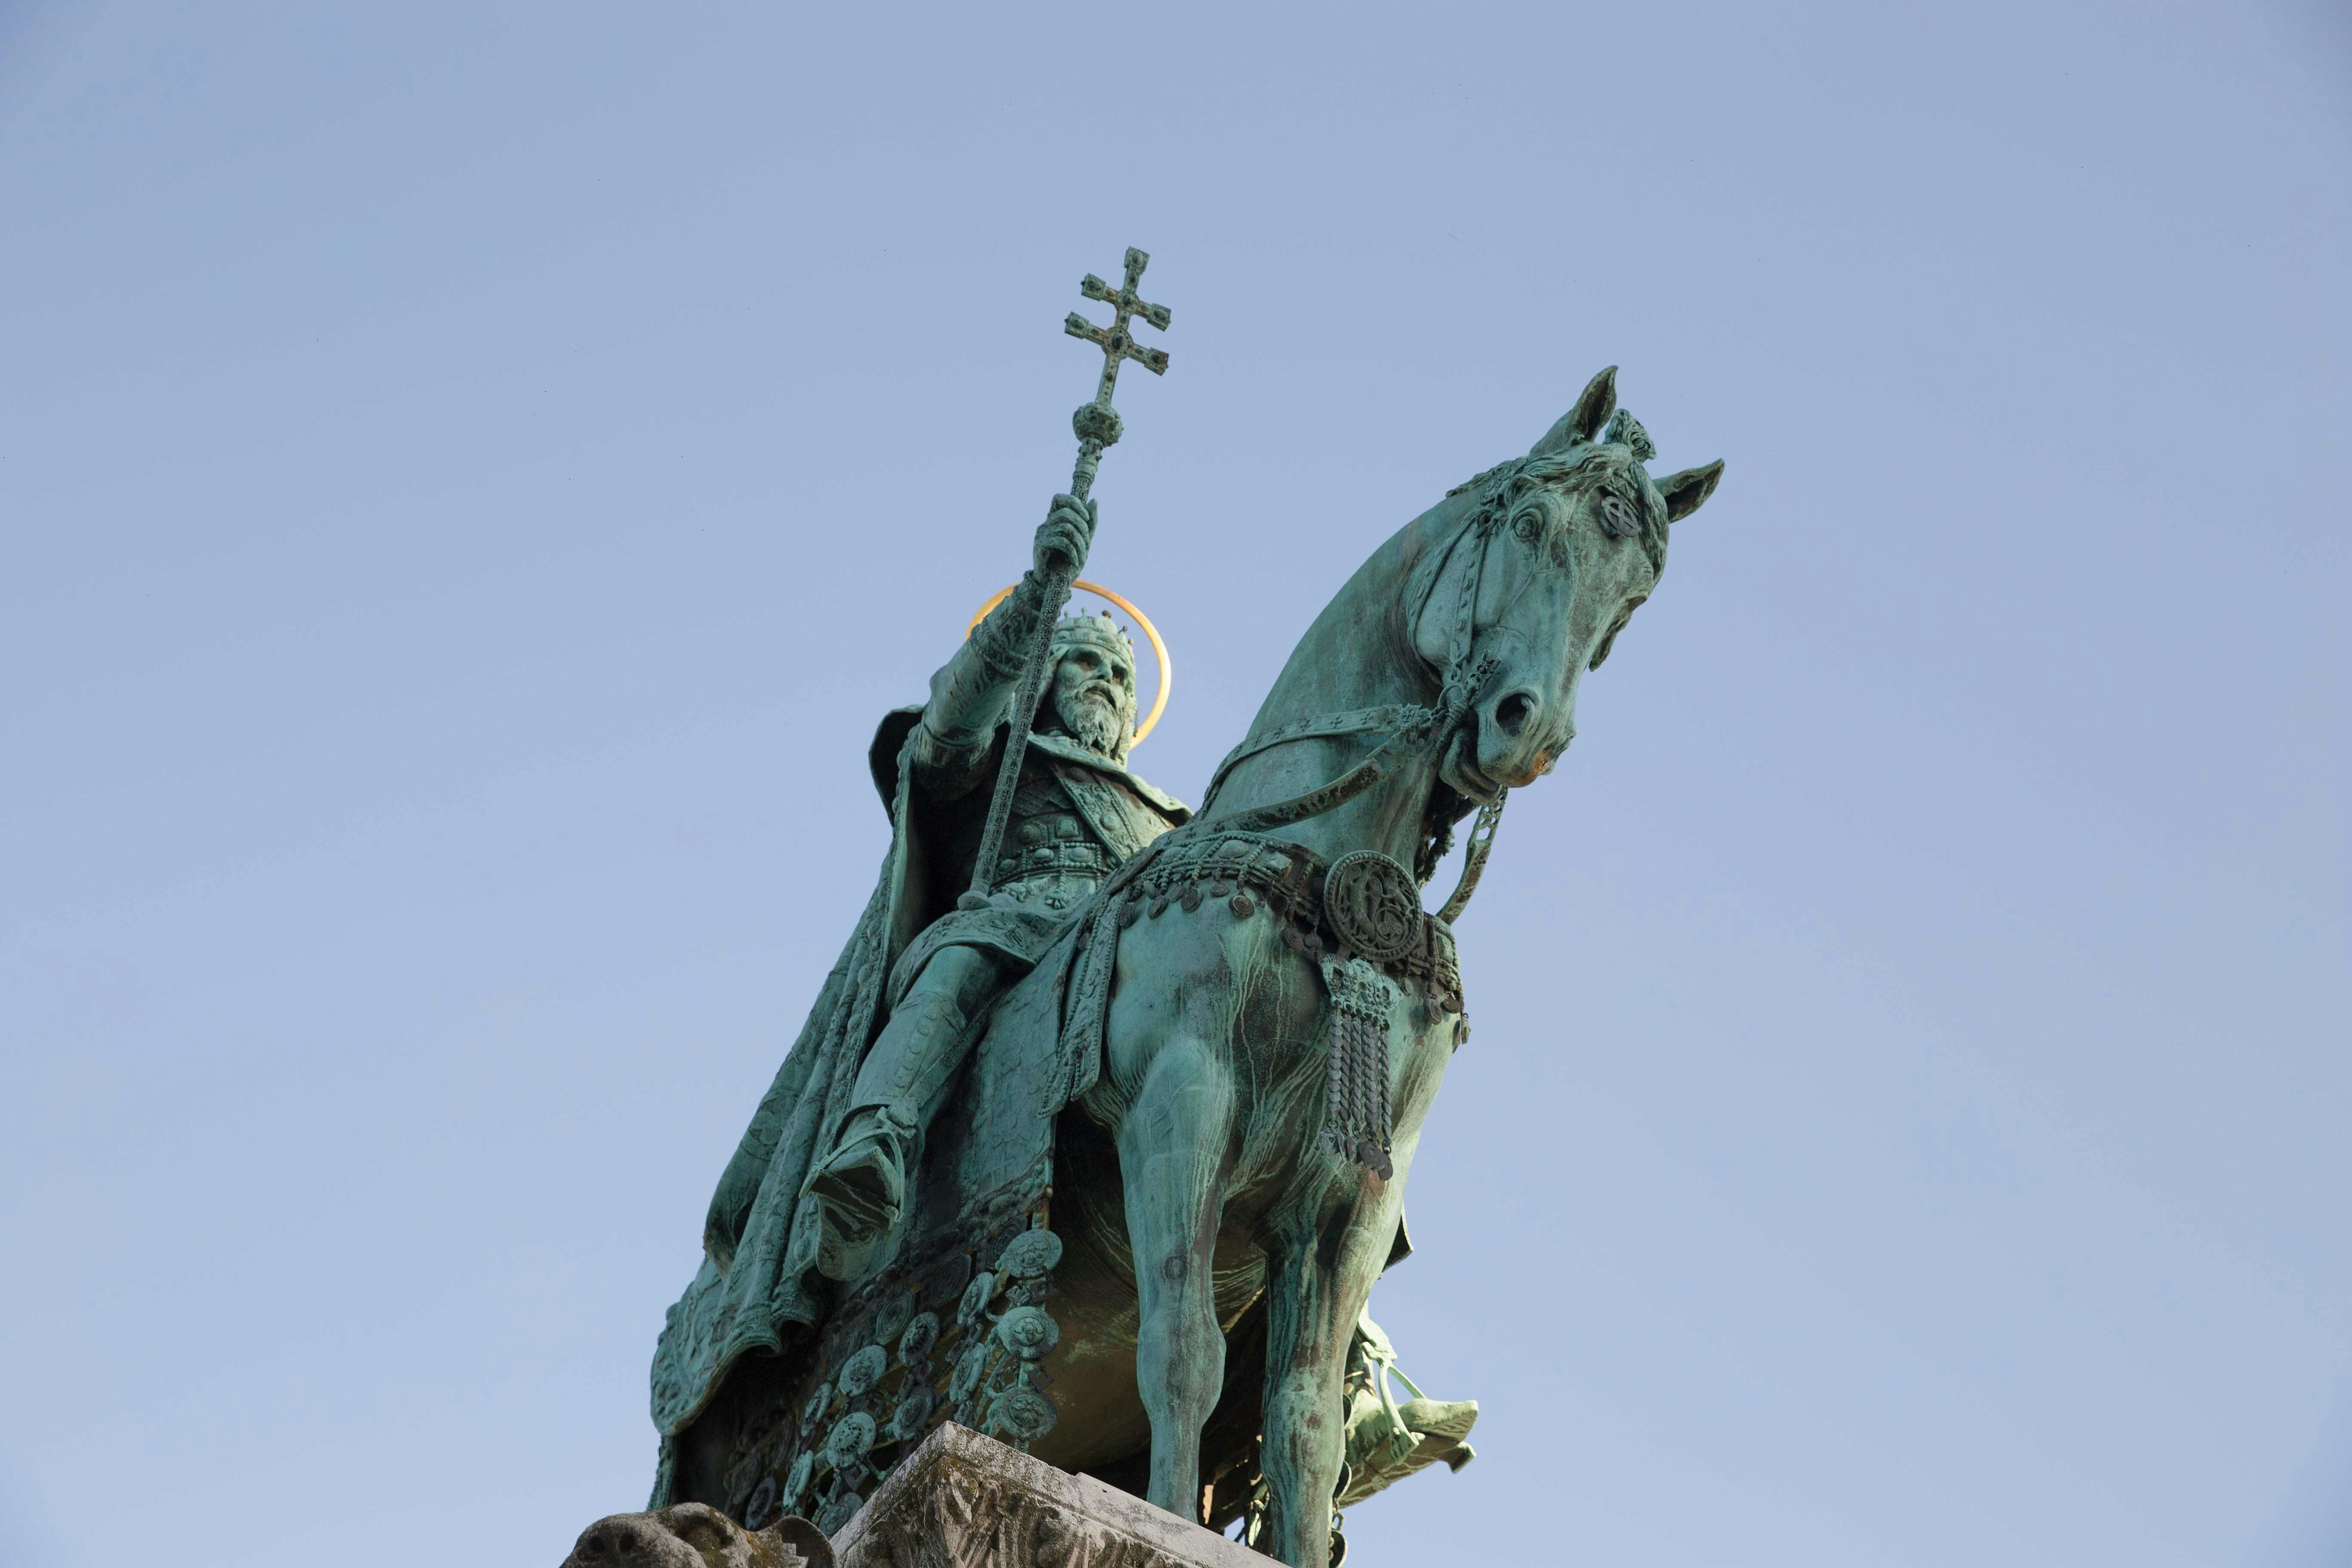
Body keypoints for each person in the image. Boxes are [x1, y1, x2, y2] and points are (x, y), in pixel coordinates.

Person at [806, 493, 1187, 1271]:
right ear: (1045, 674)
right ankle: (876, 1140)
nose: (1109, 682)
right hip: (1015, 921)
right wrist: (1037, 597)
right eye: (1088, 662)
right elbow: (948, 728)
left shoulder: (1174, 815)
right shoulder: (1005, 753)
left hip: (1136, 941)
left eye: (1122, 674)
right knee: (961, 961)